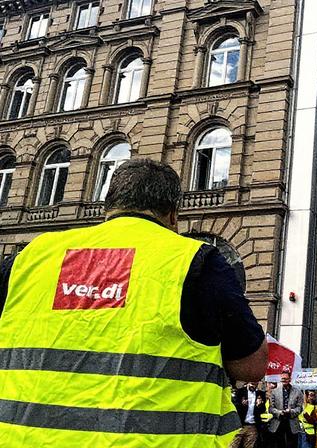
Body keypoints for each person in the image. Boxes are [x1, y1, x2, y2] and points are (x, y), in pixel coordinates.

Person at [0, 159, 268, 447]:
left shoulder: (30, 257)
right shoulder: (195, 261)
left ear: (108, 206)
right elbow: (252, 366)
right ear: (173, 214)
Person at [270, 371, 305, 448]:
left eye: (286, 379)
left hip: (292, 422)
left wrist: (291, 411)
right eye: (282, 379)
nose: (284, 380)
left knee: (292, 445)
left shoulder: (298, 392)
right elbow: (271, 408)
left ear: (290, 379)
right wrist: (279, 412)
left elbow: (300, 408)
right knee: (279, 444)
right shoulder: (274, 392)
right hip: (278, 422)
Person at [233, 381, 267, 448]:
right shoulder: (240, 392)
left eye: (254, 384)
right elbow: (234, 406)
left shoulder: (261, 394)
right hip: (239, 425)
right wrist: (241, 404)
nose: (253, 386)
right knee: (233, 445)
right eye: (251, 384)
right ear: (248, 383)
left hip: (252, 426)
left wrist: (259, 405)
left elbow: (263, 409)